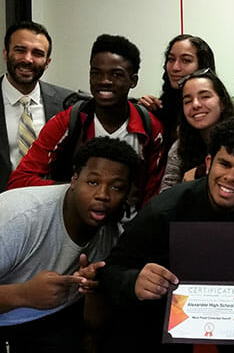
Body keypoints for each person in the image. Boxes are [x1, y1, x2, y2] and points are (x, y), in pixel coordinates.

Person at [96, 116, 234, 352]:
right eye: (224, 164)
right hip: (160, 335)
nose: (230, 176)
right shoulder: (165, 209)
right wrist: (133, 281)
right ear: (208, 163)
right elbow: (110, 272)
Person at [0, 136, 140, 353]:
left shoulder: (113, 236)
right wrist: (23, 294)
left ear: (128, 194)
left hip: (53, 323)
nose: (102, 195)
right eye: (93, 182)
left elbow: (94, 326)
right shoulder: (18, 217)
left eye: (116, 188)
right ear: (74, 180)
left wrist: (94, 290)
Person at [7, 34, 164, 210]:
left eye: (116, 74)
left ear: (133, 80)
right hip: (75, 229)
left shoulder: (149, 126)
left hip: (130, 229)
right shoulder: (68, 121)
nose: (104, 81)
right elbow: (19, 181)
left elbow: (153, 194)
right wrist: (75, 188)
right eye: (96, 73)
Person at [139, 34, 234, 154]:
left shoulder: (219, 103)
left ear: (202, 66)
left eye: (186, 60)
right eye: (171, 59)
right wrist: (146, 111)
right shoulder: (165, 103)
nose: (175, 67)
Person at [0, 20, 72, 191]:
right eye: (20, 50)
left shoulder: (68, 103)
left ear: (47, 62)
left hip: (51, 206)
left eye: (37, 53)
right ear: (5, 54)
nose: (27, 59)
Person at [160, 68, 234, 191]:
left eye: (205, 96)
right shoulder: (179, 147)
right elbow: (166, 193)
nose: (195, 105)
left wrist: (201, 172)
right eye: (188, 101)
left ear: (222, 103)